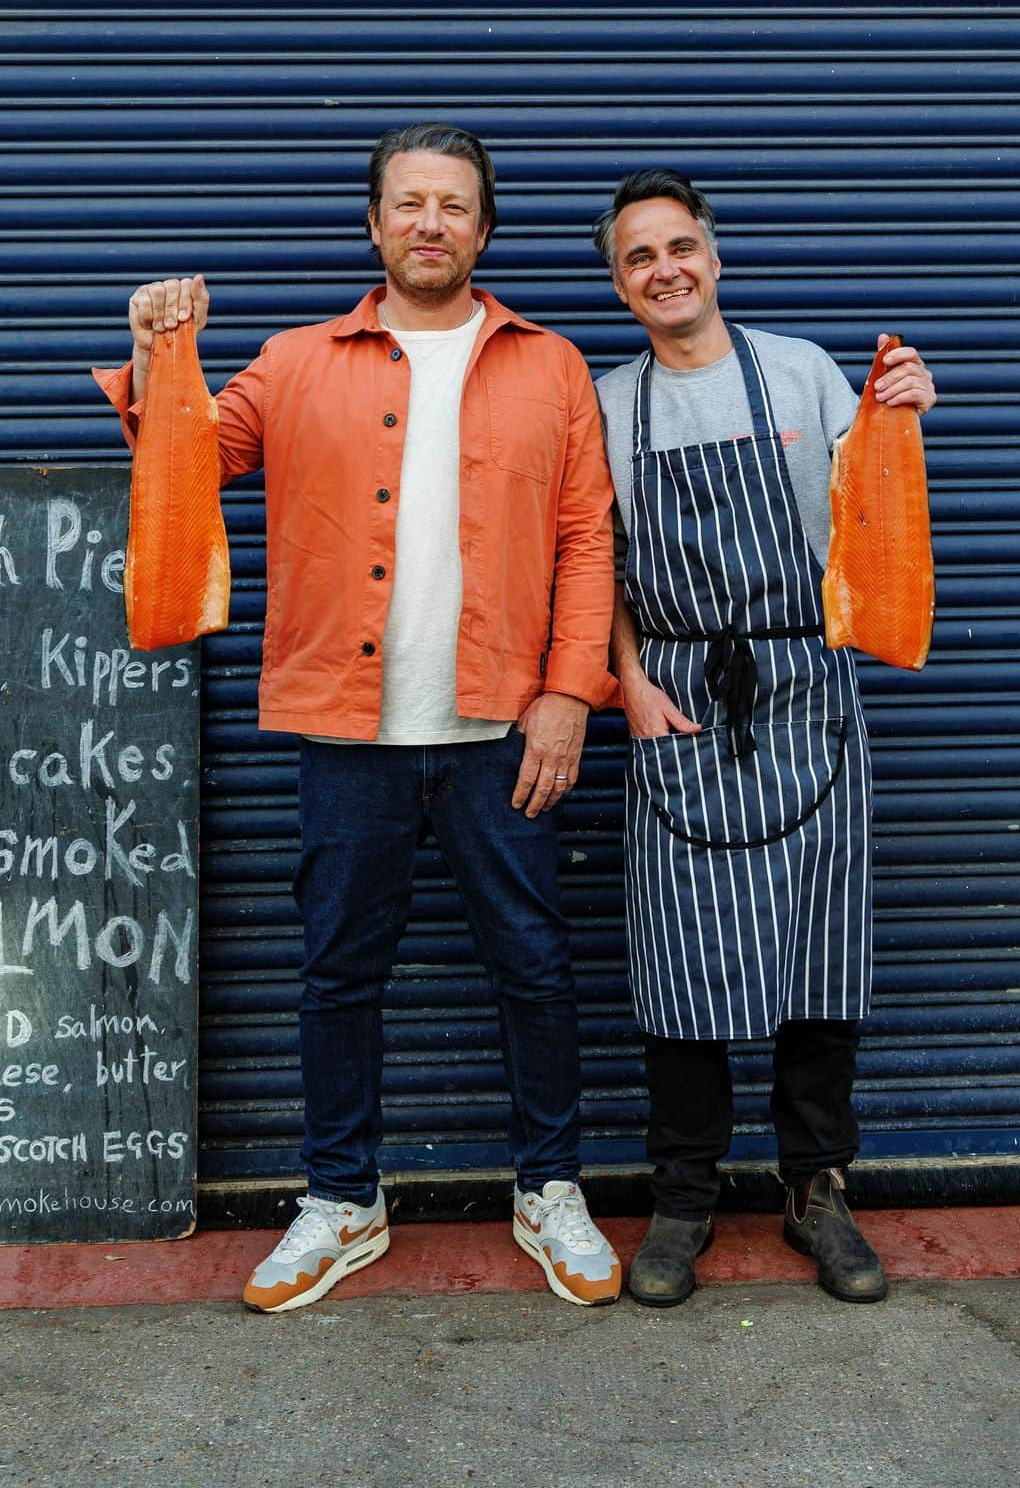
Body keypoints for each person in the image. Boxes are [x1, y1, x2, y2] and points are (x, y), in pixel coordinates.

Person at [95, 122, 622, 1311]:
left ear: (484, 231)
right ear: (374, 224)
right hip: (348, 732)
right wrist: (150, 359)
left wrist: (565, 692)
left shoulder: (550, 366)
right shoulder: (290, 363)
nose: (431, 222)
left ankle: (550, 1187)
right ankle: (343, 1197)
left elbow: (590, 539)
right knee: (338, 972)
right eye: (409, 203)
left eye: (454, 205)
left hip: (498, 731)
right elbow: (179, 458)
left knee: (534, 966)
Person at [592, 167, 936, 1308]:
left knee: (822, 959)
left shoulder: (803, 371)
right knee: (680, 963)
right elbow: (588, 566)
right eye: (638, 257)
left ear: (715, 256)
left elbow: (874, 512)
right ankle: (683, 1197)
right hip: (678, 695)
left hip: (807, 684)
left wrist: (907, 411)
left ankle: (816, 1190)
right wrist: (628, 685)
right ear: (618, 281)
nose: (664, 270)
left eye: (679, 246)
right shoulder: (605, 404)